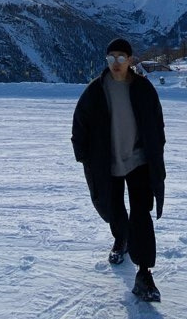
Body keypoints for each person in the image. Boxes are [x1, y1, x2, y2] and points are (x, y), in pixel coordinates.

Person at [71, 38, 166, 302]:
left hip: (139, 161)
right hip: (107, 163)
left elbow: (157, 125)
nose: (116, 63)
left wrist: (156, 152)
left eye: (121, 58)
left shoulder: (144, 89)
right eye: (111, 58)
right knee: (114, 209)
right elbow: (79, 125)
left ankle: (144, 272)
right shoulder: (95, 91)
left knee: (141, 213)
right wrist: (83, 156)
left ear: (130, 61)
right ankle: (121, 240)